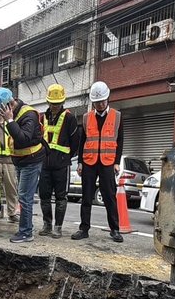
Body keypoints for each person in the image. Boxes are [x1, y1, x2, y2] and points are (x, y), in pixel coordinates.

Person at [71, 81, 124, 243]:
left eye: (102, 101)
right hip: (89, 162)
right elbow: (82, 142)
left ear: (108, 99)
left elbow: (120, 140)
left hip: (107, 162)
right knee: (86, 197)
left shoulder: (117, 116)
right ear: (93, 102)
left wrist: (116, 162)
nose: (100, 105)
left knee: (109, 196)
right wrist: (80, 161)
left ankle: (115, 229)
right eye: (97, 102)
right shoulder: (87, 118)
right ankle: (84, 228)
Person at [0, 87, 45, 243]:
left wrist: (9, 120)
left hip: (31, 161)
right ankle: (27, 226)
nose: (0, 115)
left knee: (24, 197)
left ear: (8, 105)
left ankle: (26, 232)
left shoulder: (29, 114)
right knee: (23, 197)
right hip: (21, 161)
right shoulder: (15, 113)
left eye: (2, 111)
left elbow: (23, 139)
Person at [38, 84, 79, 239]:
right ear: (48, 102)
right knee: (44, 196)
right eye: (52, 103)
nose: (55, 106)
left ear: (63, 101)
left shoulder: (69, 118)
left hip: (62, 164)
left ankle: (58, 227)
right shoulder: (42, 118)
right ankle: (47, 224)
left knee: (61, 197)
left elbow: (75, 142)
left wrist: (65, 156)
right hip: (45, 164)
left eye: (58, 103)